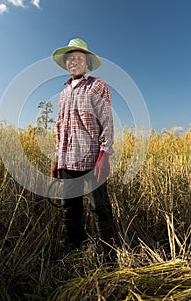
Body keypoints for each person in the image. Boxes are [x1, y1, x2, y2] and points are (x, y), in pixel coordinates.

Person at [52, 38, 118, 262]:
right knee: (70, 206)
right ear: (66, 64)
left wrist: (104, 155)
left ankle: (108, 254)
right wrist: (57, 160)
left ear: (87, 63)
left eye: (79, 58)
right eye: (70, 58)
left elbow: (107, 121)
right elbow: (61, 126)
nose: (74, 61)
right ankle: (74, 246)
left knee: (99, 206)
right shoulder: (63, 93)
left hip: (92, 158)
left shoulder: (98, 85)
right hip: (68, 159)